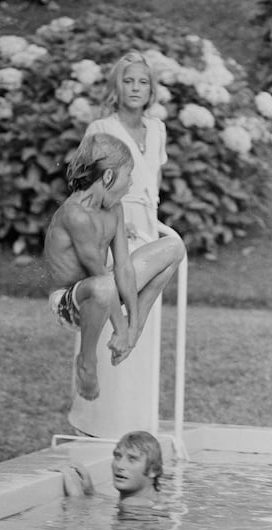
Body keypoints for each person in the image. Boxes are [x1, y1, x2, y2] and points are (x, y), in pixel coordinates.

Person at [44, 132, 185, 401]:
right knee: (103, 285)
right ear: (108, 177)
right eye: (128, 176)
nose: (130, 184)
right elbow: (100, 277)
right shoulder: (76, 215)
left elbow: (123, 268)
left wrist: (130, 326)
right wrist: (117, 328)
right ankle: (86, 361)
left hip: (101, 288)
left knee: (174, 247)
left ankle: (136, 332)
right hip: (68, 303)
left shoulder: (114, 208)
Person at [85, 49, 174, 246]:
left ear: (151, 89)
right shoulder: (101, 129)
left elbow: (154, 180)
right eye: (128, 81)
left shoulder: (157, 129)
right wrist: (114, 223)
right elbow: (86, 187)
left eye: (143, 82)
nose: (135, 88)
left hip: (147, 225)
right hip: (112, 225)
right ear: (117, 86)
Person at [61, 431, 163, 509]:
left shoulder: (134, 504)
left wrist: (76, 499)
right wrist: (91, 493)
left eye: (132, 459)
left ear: (152, 470)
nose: (120, 465)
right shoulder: (150, 501)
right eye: (118, 456)